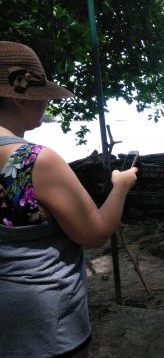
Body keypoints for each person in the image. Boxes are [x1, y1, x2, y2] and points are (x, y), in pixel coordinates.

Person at [0, 41, 138, 357]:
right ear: (15, 98)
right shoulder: (33, 162)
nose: (47, 100)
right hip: (44, 331)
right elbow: (95, 232)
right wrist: (120, 187)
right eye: (40, 94)